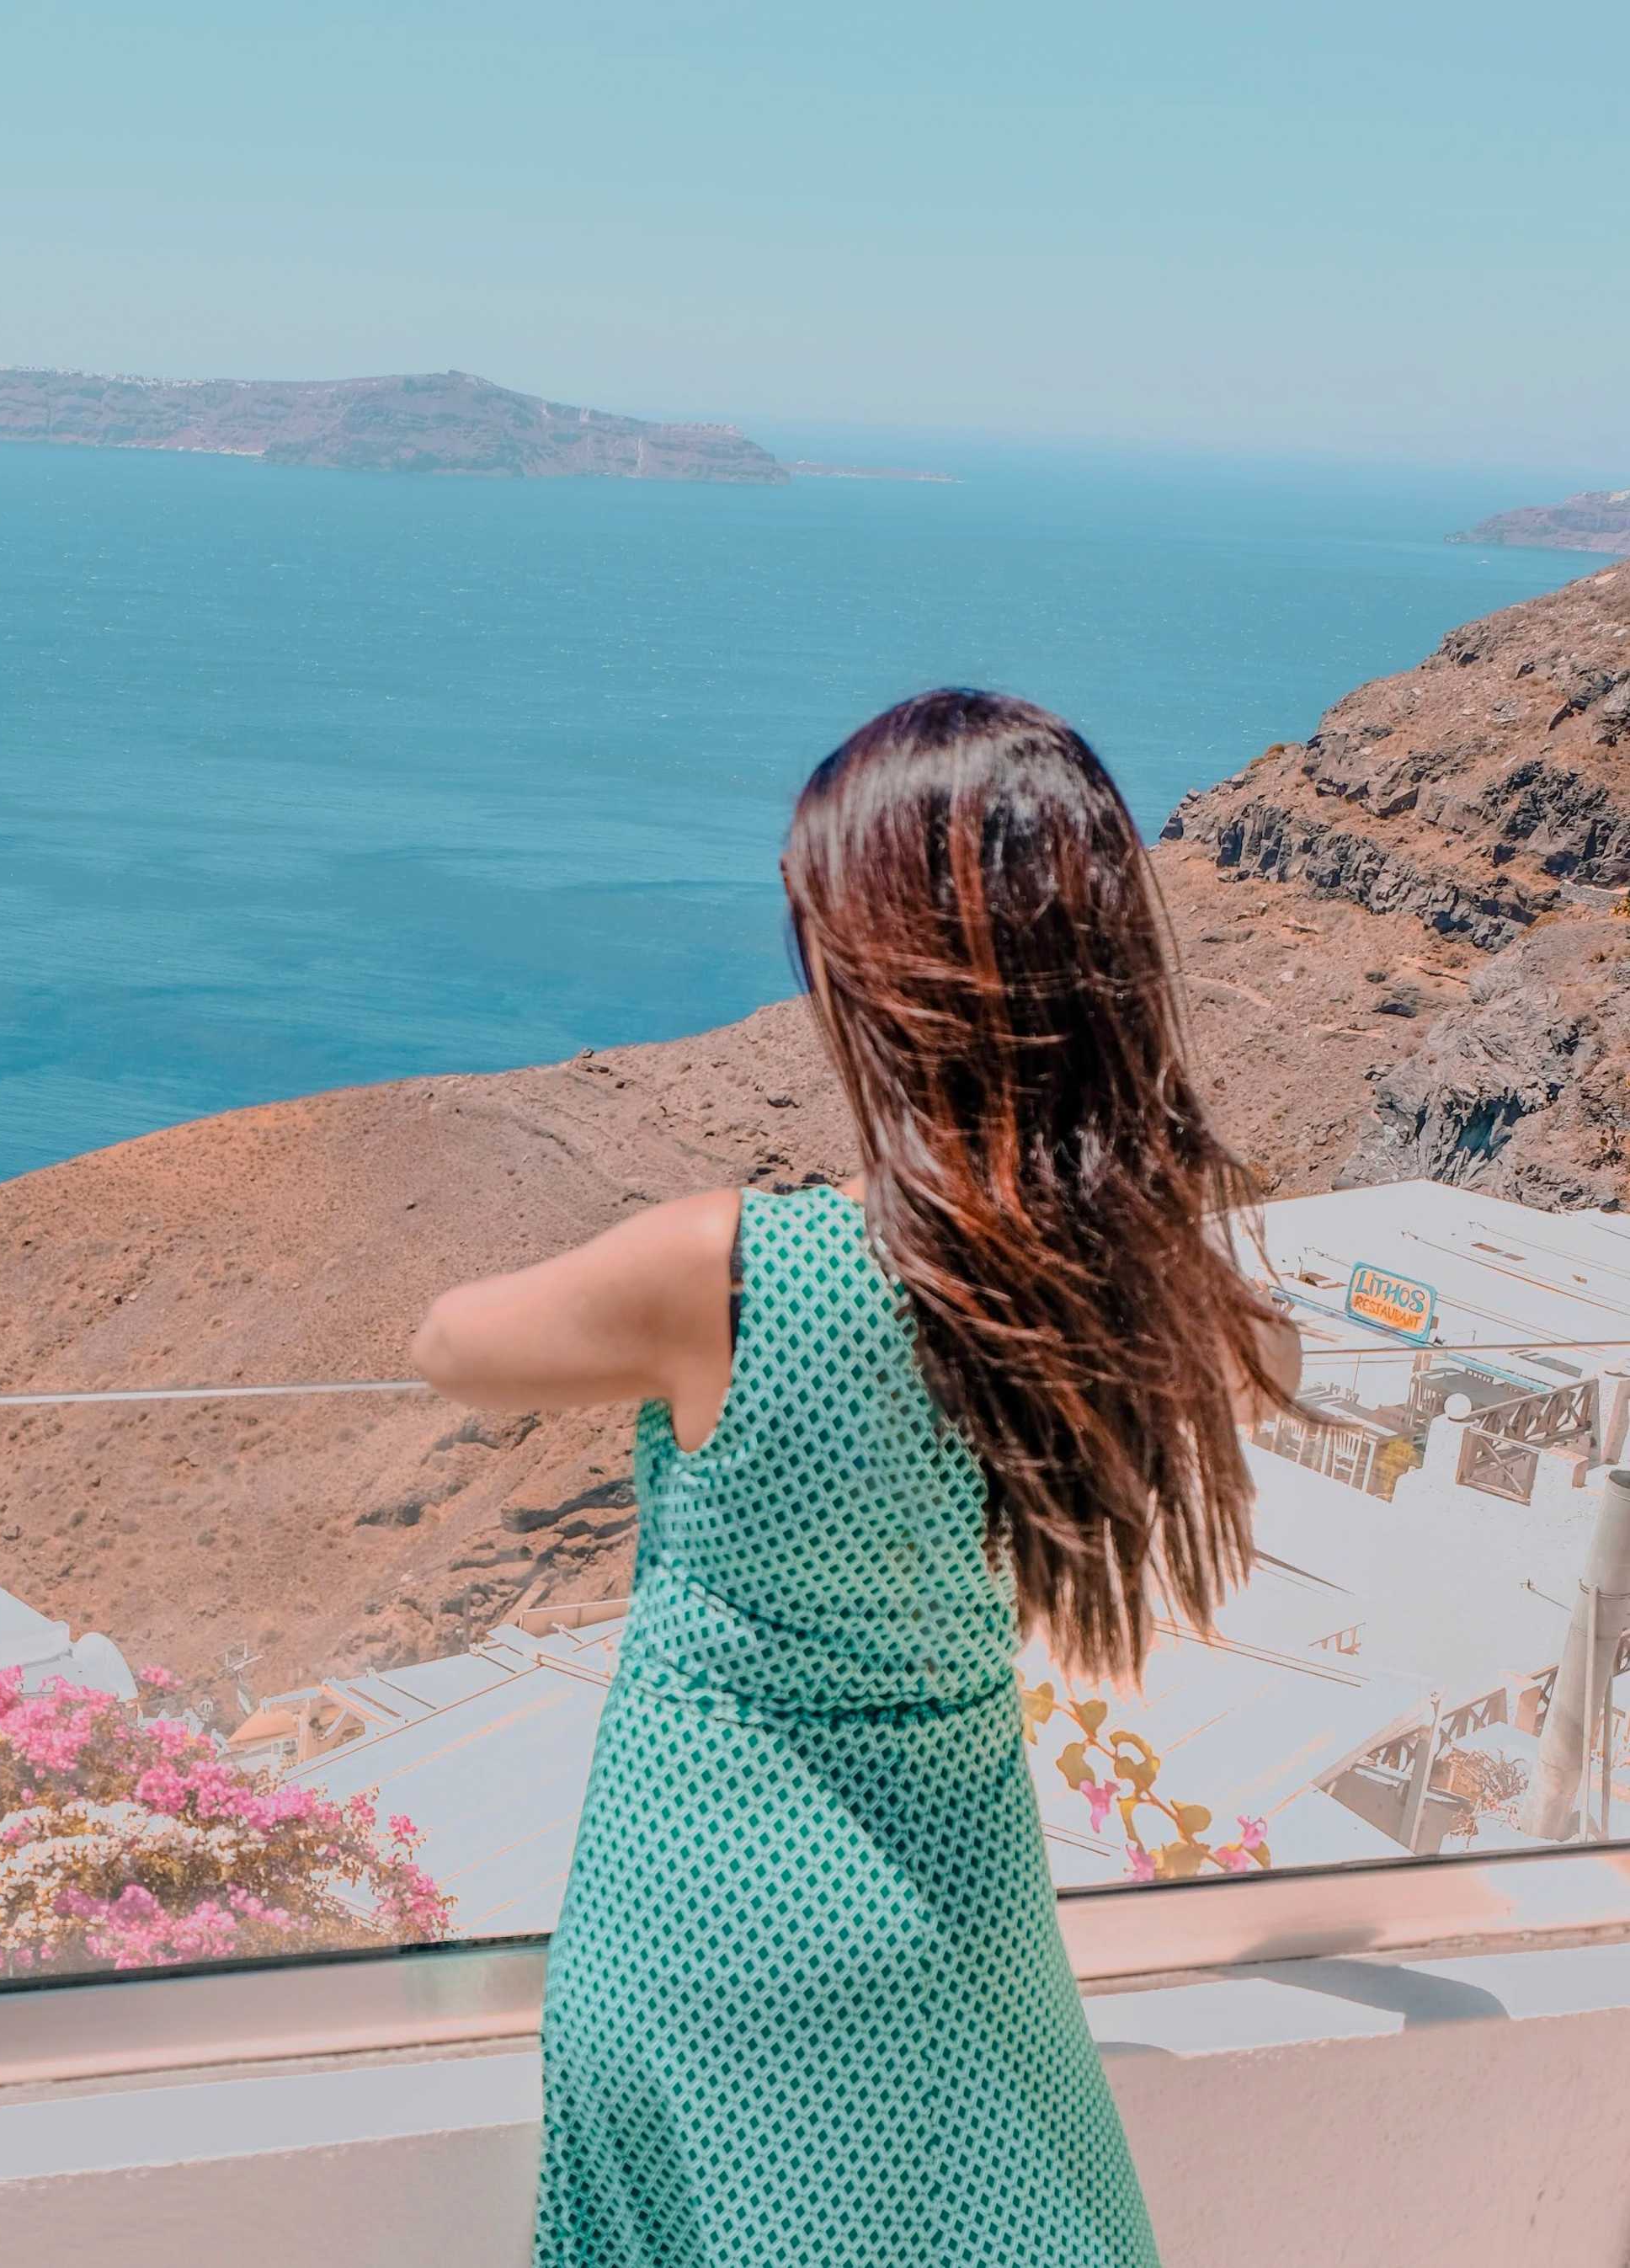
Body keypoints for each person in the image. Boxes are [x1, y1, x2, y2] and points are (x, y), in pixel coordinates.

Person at [413, 689, 1302, 2268]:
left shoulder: (740, 1270)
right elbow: (1274, 1362)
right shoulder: (1141, 1292)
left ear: (877, 976)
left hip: (701, 1929)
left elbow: (451, 1348)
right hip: (964, 1936)